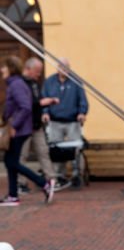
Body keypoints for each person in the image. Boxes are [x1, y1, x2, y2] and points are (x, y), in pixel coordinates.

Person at [1, 56, 52, 205]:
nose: (1, 70)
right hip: (19, 129)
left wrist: (14, 126)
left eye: (4, 67)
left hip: (19, 130)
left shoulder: (16, 84)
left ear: (10, 68)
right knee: (11, 161)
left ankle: (43, 183)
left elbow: (25, 107)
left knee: (11, 162)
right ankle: (12, 196)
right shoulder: (16, 83)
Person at [42, 57, 88, 188]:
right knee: (55, 149)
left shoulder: (76, 81)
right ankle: (58, 176)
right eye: (61, 67)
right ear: (57, 68)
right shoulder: (49, 82)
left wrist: (82, 112)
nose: (63, 69)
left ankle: (77, 175)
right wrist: (45, 112)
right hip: (55, 121)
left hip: (72, 120)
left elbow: (82, 100)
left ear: (69, 68)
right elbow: (44, 98)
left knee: (76, 149)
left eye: (66, 67)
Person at [22, 57, 56, 203]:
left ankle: (51, 180)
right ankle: (20, 183)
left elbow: (39, 100)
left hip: (37, 125)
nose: (39, 74)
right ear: (28, 69)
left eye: (40, 72)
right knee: (21, 156)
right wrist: (42, 102)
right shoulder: (21, 83)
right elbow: (26, 103)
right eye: (37, 71)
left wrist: (44, 110)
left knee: (43, 152)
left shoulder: (35, 83)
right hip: (24, 126)